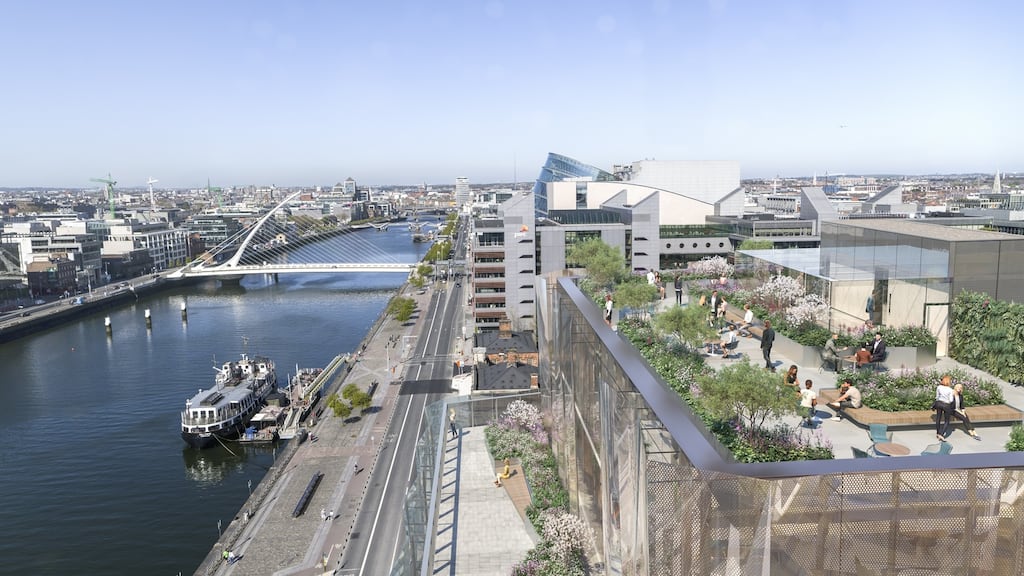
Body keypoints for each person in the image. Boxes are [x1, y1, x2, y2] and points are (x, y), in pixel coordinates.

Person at [933, 374, 955, 441]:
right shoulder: (950, 390)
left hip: (939, 403)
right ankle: (942, 434)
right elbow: (951, 400)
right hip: (946, 405)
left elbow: (937, 397)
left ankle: (938, 432)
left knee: (938, 418)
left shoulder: (939, 387)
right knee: (947, 420)